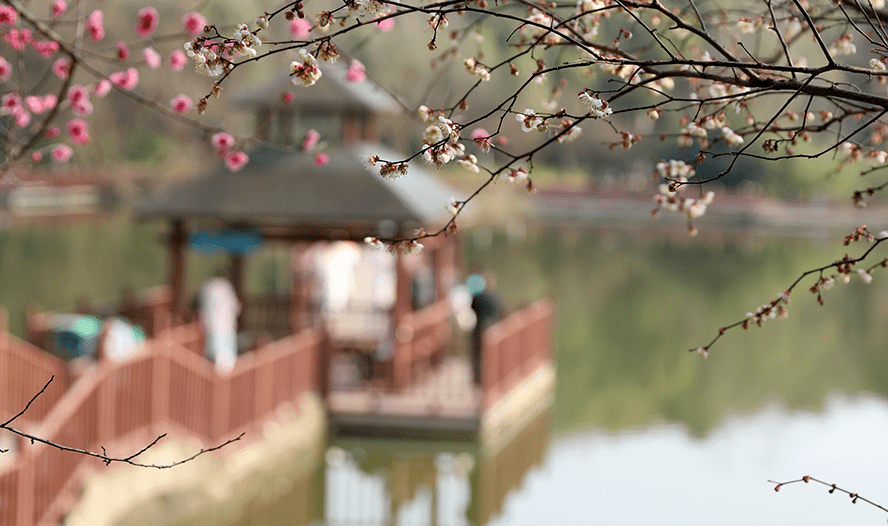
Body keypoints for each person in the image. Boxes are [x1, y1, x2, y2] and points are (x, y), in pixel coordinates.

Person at [200, 270, 241, 373]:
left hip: (212, 325)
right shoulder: (226, 286)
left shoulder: (207, 286)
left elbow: (204, 307)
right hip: (227, 325)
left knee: (214, 355)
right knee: (226, 357)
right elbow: (235, 307)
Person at [468, 271, 503, 384]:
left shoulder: (479, 297)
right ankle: (490, 378)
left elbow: (472, 307)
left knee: (477, 355)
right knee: (490, 355)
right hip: (493, 330)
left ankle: (478, 378)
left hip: (480, 329)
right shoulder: (497, 297)